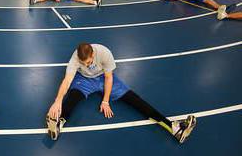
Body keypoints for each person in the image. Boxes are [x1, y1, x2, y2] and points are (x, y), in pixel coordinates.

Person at [45, 43, 197, 143]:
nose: (86, 65)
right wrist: (58, 100)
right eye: (83, 63)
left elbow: (109, 78)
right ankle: (58, 123)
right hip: (84, 80)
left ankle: (174, 128)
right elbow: (67, 80)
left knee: (135, 100)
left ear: (93, 55)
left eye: (89, 62)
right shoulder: (75, 58)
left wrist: (105, 101)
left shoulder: (105, 53)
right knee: (73, 97)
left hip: (104, 78)